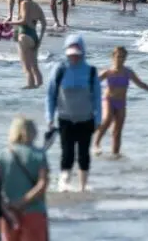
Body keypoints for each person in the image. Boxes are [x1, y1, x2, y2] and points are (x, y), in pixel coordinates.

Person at [45, 34, 101, 192]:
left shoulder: (90, 71)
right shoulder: (60, 70)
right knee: (67, 152)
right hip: (65, 119)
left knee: (84, 154)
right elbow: (50, 95)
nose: (74, 58)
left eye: (77, 55)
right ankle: (64, 182)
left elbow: (97, 98)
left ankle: (83, 185)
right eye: (71, 55)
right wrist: (49, 117)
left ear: (83, 52)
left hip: (86, 119)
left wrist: (98, 119)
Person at [93, 46, 148, 158]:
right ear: (113, 57)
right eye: (118, 56)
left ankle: (115, 154)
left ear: (125, 58)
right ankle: (97, 144)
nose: (120, 59)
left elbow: (141, 84)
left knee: (118, 131)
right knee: (107, 119)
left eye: (122, 57)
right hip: (108, 100)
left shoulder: (128, 72)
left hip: (121, 103)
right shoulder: (107, 72)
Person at [0, 117, 49, 241]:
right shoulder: (38, 154)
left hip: (9, 213)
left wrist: (5, 205)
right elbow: (42, 185)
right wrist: (23, 201)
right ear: (32, 132)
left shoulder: (4, 155)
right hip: (34, 211)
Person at [9, 0, 45, 89]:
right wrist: (39, 41)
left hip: (24, 36)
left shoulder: (24, 3)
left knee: (26, 68)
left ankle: (29, 88)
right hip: (34, 37)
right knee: (35, 67)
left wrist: (9, 23)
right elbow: (44, 24)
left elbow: (24, 21)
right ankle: (38, 90)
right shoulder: (37, 6)